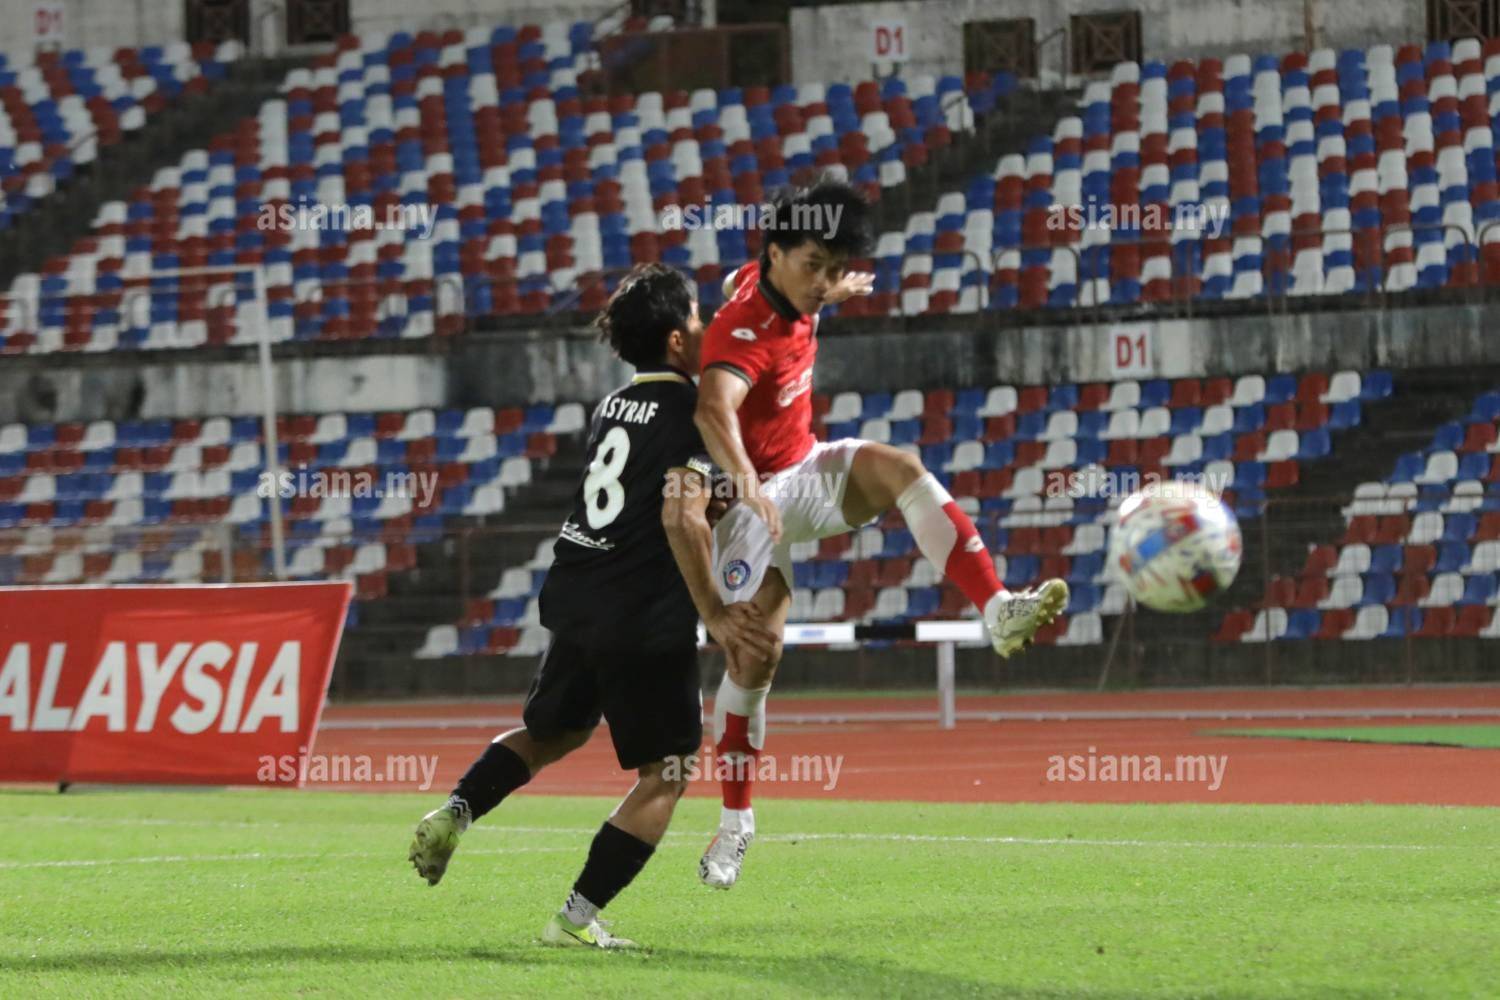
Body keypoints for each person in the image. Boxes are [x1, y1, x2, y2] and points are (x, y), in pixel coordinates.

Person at [693, 177, 1070, 889]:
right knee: (757, 659)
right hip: (743, 502)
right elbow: (714, 407)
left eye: (834, 268)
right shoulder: (745, 327)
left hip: (802, 472)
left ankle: (997, 609)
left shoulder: (774, 281)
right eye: (814, 266)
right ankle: (736, 824)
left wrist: (832, 288)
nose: (823, 281)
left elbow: (771, 285)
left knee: (901, 468)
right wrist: (746, 485)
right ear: (774, 255)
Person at [407, 263, 778, 948]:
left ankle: (455, 811)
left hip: (578, 592)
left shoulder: (613, 405)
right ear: (676, 340)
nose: (707, 328)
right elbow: (680, 516)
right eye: (698, 318)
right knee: (668, 770)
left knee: (554, 732)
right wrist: (716, 614)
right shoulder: (695, 413)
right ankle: (574, 920)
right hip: (641, 611)